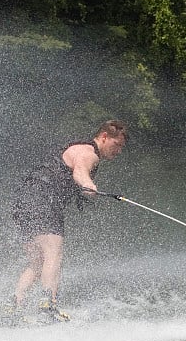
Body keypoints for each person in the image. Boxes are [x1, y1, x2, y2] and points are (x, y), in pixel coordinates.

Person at [11, 120, 128, 317]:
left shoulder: (78, 147)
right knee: (53, 254)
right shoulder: (89, 153)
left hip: (23, 203)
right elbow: (80, 171)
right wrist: (88, 185)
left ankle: (14, 306)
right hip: (43, 201)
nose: (118, 151)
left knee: (38, 263)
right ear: (104, 137)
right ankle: (48, 308)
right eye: (117, 145)